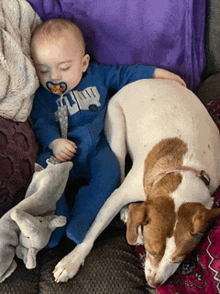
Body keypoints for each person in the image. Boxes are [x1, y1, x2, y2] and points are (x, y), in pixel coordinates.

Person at [30, 18, 186, 246]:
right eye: (43, 70)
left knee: (111, 172)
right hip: (60, 151)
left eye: (64, 68)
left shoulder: (96, 75)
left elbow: (125, 75)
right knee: (44, 175)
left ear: (83, 63)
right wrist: (54, 142)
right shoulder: (43, 96)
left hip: (96, 148)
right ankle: (54, 221)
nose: (54, 77)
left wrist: (159, 74)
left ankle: (83, 217)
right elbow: (40, 121)